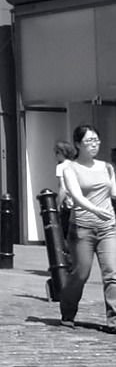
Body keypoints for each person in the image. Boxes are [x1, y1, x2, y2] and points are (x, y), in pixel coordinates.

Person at [59, 125, 116, 330]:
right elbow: (76, 196)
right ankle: (67, 311)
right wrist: (95, 210)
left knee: (112, 273)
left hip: (108, 227)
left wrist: (104, 212)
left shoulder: (107, 167)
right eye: (89, 141)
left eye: (96, 140)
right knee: (81, 273)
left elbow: (114, 193)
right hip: (82, 228)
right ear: (77, 144)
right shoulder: (70, 169)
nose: (94, 145)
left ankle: (114, 320)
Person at [55, 140, 77, 241]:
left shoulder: (60, 167)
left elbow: (62, 187)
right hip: (77, 201)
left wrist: (58, 204)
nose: (56, 155)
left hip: (67, 202)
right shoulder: (74, 165)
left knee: (64, 229)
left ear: (63, 153)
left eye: (57, 152)